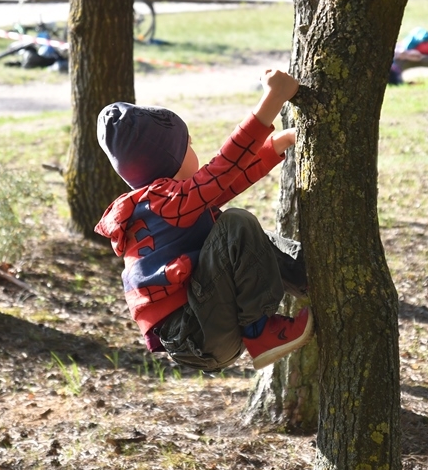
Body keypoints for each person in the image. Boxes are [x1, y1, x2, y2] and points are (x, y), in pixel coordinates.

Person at [94, 69, 312, 372]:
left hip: (199, 328)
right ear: (170, 159)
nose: (195, 150)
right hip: (197, 329)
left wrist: (274, 146)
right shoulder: (165, 201)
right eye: (189, 145)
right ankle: (260, 331)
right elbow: (223, 170)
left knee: (238, 235)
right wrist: (272, 99)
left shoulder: (158, 204)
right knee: (235, 226)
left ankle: (310, 276)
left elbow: (228, 182)